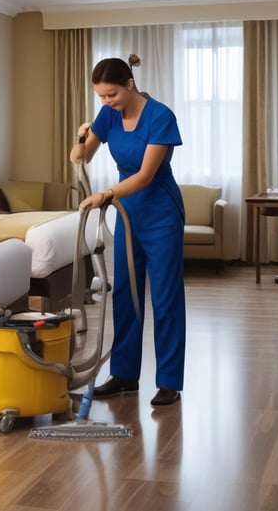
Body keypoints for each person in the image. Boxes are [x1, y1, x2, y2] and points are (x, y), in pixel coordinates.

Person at [70, 55, 186, 406]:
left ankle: (168, 381)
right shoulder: (108, 115)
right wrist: (80, 140)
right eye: (102, 97)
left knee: (165, 297)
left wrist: (105, 194)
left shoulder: (160, 116)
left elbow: (146, 175)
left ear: (129, 84)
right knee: (124, 293)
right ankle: (123, 375)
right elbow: (82, 156)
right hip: (127, 211)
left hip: (160, 210)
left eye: (111, 95)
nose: (107, 103)